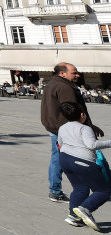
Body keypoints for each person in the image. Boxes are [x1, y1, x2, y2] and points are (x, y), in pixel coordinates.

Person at [41, 62, 104, 203]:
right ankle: (57, 191)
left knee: (57, 158)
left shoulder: (52, 83)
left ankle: (55, 190)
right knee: (76, 157)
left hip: (55, 126)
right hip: (66, 128)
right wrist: (87, 127)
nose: (77, 75)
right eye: (74, 73)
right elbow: (72, 110)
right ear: (62, 73)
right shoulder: (65, 87)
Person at [57, 101, 111, 230]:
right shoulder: (84, 128)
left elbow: (60, 143)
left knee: (80, 188)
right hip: (82, 162)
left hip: (64, 159)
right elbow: (92, 145)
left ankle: (74, 217)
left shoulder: (62, 127)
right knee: (103, 190)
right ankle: (85, 209)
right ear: (82, 115)